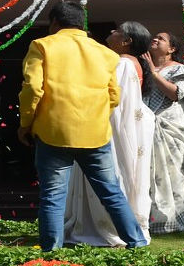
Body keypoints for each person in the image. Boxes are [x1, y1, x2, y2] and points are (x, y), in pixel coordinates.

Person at [17, 1, 148, 251]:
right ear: (81, 23)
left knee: (54, 197)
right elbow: (113, 96)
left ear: (54, 23)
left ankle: (51, 251)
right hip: (96, 134)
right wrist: (97, 117)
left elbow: (33, 89)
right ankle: (137, 242)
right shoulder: (106, 53)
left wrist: (26, 123)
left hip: (52, 131)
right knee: (111, 192)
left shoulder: (42, 45)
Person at [64, 21, 155, 246]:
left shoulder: (123, 63)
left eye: (118, 31)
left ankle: (106, 226)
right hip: (128, 125)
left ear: (127, 41)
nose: (112, 33)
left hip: (114, 126)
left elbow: (115, 101)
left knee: (114, 173)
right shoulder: (130, 62)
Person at [141, 30, 184, 234]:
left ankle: (173, 223)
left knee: (173, 175)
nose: (154, 39)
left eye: (160, 38)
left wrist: (154, 73)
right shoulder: (144, 68)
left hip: (171, 127)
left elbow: (176, 93)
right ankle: (149, 221)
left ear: (171, 49)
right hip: (147, 125)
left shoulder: (180, 69)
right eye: (155, 37)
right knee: (149, 174)